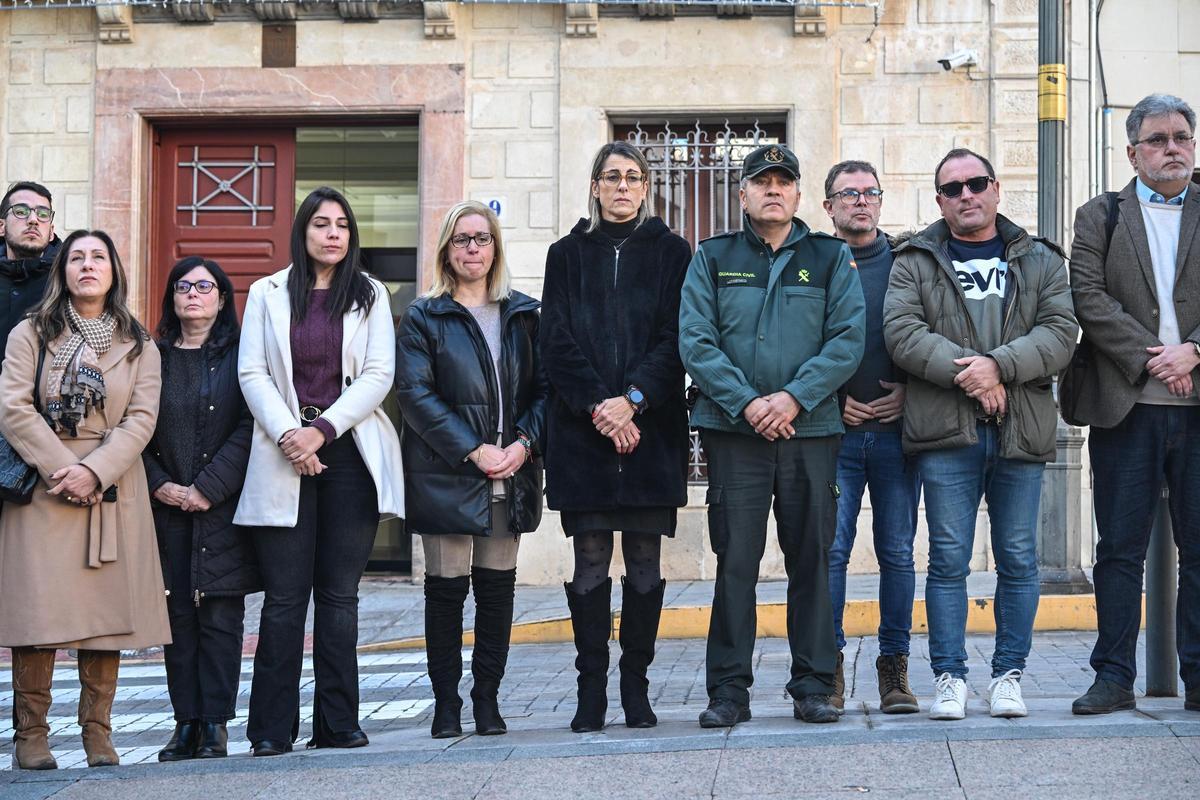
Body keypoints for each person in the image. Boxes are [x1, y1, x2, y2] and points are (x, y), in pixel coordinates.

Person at [883, 148, 1077, 721]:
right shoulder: (914, 259)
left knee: (1018, 558)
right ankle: (949, 678)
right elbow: (902, 333)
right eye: (952, 188)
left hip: (1022, 431)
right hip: (947, 435)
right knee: (947, 560)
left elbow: (1061, 332)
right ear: (938, 200)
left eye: (976, 184)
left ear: (996, 189)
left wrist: (999, 367)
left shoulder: (1041, 259)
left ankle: (1008, 675)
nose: (966, 195)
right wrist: (975, 374)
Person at [679, 143, 865, 728]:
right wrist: (748, 403)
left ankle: (813, 685)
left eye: (784, 182)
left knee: (811, 558)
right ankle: (728, 693)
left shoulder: (829, 258)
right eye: (762, 182)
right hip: (735, 435)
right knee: (735, 561)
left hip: (810, 431)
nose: (773, 190)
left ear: (800, 195)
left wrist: (792, 397)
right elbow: (696, 341)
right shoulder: (713, 257)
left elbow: (847, 339)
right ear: (743, 194)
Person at [236, 187, 404, 756]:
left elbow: (379, 375)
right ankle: (269, 730)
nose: (332, 234)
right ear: (302, 233)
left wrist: (322, 431)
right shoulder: (266, 293)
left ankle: (337, 723)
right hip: (283, 456)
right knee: (284, 598)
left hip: (349, 456)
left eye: (341, 226)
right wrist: (291, 435)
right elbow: (253, 373)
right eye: (320, 224)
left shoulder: (371, 294)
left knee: (338, 596)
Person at [0, 229, 169, 769]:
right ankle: (32, 735)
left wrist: (93, 471)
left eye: (98, 257)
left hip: (112, 488)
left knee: (105, 616)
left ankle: (97, 731)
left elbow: (141, 420)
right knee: (38, 614)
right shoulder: (30, 333)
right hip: (43, 487)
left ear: (114, 271)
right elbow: (13, 407)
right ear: (63, 270)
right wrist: (61, 468)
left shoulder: (139, 344)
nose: (88, 266)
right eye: (77, 257)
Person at [541, 142, 692, 732]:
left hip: (650, 431)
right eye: (612, 177)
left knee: (647, 563)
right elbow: (554, 340)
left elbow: (676, 336)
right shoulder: (566, 254)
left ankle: (636, 686)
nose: (622, 186)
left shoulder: (672, 252)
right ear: (596, 186)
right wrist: (600, 409)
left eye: (633, 177)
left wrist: (630, 403)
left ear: (646, 187)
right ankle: (590, 690)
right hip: (582, 434)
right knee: (590, 560)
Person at [1065, 94, 1200, 716]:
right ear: (1132, 152)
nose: (1172, 149)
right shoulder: (1100, 216)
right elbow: (1087, 299)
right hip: (1127, 404)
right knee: (1120, 548)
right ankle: (1112, 676)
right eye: (1158, 140)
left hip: (1196, 403)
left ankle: (1198, 677)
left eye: (1182, 137)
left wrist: (1193, 351)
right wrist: (1155, 357)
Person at [395, 200, 547, 739]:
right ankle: (446, 703)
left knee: (496, 590)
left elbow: (545, 391)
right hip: (448, 473)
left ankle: (487, 698)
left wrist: (524, 444)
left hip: (512, 472)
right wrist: (474, 450)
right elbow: (414, 395)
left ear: (496, 247)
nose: (473, 249)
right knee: (446, 591)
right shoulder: (423, 315)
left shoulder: (524, 314)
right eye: (462, 240)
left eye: (482, 238)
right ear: (446, 250)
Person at [143, 257, 258, 761]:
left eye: (205, 287)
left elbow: (251, 426)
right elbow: (131, 425)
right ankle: (184, 721)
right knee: (176, 618)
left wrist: (207, 487)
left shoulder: (241, 354)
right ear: (171, 297)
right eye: (184, 286)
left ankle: (215, 724)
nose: (194, 294)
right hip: (166, 509)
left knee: (219, 614)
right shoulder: (152, 358)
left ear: (221, 298)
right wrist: (160, 485)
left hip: (222, 506)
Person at [821, 160, 921, 715]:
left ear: (880, 202)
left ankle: (894, 670)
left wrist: (911, 392)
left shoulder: (909, 262)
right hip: (834, 437)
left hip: (897, 437)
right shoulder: (814, 261)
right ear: (829, 206)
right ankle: (830, 669)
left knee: (898, 554)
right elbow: (798, 344)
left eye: (870, 193)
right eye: (848, 194)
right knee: (831, 552)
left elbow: (934, 332)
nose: (861, 201)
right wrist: (833, 402)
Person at [0, 182, 61, 353]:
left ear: (51, 232)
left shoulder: (66, 281)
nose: (33, 220)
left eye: (43, 214)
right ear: (1, 227)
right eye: (21, 212)